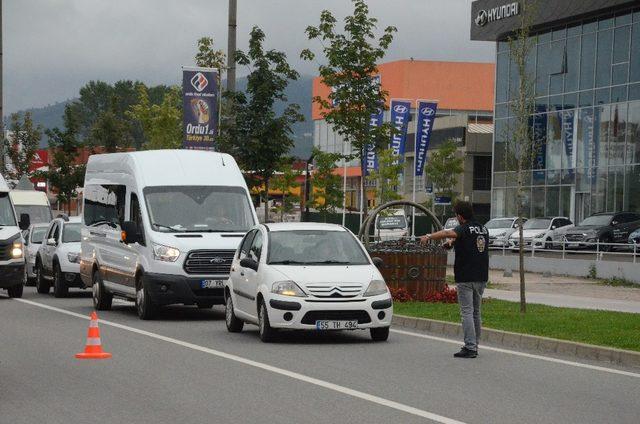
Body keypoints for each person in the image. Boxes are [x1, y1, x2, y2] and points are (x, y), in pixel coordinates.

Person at [420, 201, 489, 358]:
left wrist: (429, 236)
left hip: (466, 276)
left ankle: (470, 347)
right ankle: (475, 344)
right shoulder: (483, 228)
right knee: (476, 312)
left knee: (466, 311)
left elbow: (446, 233)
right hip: (481, 276)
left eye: (456, 215)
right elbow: (467, 241)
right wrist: (452, 243)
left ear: (460, 216)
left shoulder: (463, 228)